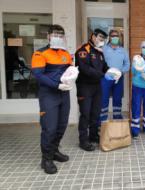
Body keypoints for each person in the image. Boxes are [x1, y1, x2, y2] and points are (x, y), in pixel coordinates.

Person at [31, 24, 72, 174]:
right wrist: (57, 85)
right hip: (49, 95)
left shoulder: (65, 53)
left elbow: (69, 71)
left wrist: (71, 77)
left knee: (62, 125)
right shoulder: (40, 53)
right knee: (49, 128)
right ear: (48, 36)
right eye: (55, 35)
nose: (58, 37)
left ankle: (54, 151)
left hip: (64, 94)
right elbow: (39, 75)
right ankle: (46, 159)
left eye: (61, 35)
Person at [75, 29, 109, 151]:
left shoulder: (99, 52)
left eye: (103, 39)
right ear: (93, 36)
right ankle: (83, 140)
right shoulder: (83, 50)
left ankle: (93, 136)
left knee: (96, 113)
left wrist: (111, 72)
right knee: (85, 113)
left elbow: (104, 67)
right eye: (100, 38)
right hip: (85, 87)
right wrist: (102, 75)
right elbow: (84, 69)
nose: (101, 40)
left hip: (96, 86)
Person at [100, 29, 130, 121]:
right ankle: (102, 119)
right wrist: (103, 73)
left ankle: (117, 117)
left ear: (119, 37)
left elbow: (127, 64)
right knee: (104, 98)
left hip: (119, 78)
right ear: (109, 37)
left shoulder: (123, 50)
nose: (115, 37)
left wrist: (121, 72)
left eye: (116, 36)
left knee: (117, 98)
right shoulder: (103, 49)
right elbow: (99, 62)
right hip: (106, 78)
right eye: (113, 36)